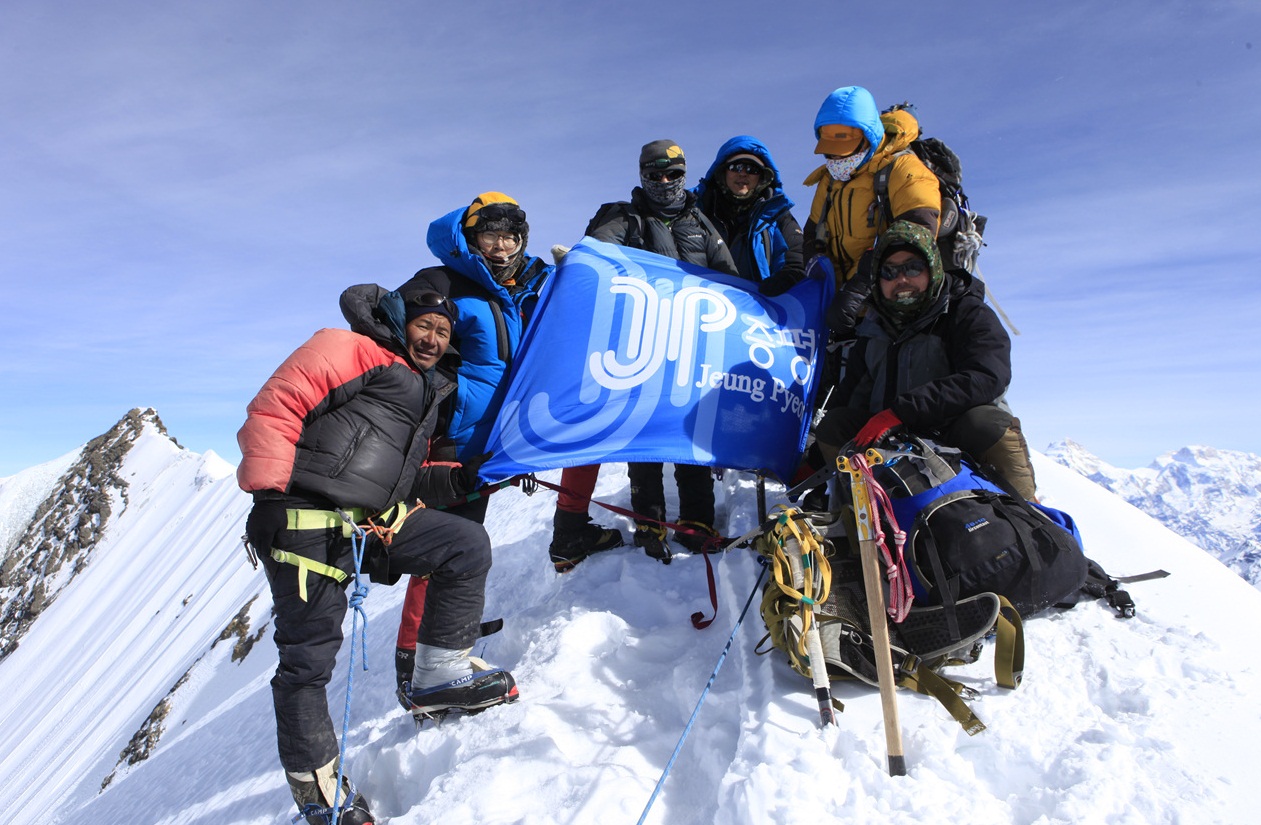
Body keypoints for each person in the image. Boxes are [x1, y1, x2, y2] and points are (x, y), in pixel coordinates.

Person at [238, 283, 518, 824]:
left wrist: (466, 480)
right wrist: (270, 494)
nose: (434, 339)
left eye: (443, 332)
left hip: (369, 528)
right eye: (425, 326)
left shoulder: (423, 390)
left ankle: (438, 674)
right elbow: (276, 407)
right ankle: (318, 794)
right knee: (307, 660)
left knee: (464, 543)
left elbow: (404, 482)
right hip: (305, 523)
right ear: (399, 318)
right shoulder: (347, 348)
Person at [582, 139, 740, 563]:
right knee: (645, 436)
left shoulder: (701, 224)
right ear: (642, 176)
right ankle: (649, 523)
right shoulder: (622, 217)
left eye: (673, 174)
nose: (665, 182)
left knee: (691, 431)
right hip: (641, 346)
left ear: (684, 174)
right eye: (655, 175)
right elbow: (597, 253)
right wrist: (582, 260)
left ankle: (698, 522)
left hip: (692, 347)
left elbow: (731, 281)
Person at [812, 220, 1037, 500]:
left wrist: (900, 412)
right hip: (894, 438)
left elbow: (987, 376)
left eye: (912, 267)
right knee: (837, 424)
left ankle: (1028, 514)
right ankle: (855, 520)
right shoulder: (872, 329)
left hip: (954, 431)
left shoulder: (967, 313)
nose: (901, 279)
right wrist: (813, 461)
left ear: (933, 268)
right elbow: (851, 395)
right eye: (889, 272)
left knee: (986, 423)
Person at [802, 85, 942, 337]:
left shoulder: (903, 168)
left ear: (868, 136)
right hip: (837, 309)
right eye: (829, 145)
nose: (836, 156)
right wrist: (815, 276)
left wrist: (860, 289)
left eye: (844, 144)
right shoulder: (829, 180)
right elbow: (813, 232)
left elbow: (916, 232)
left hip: (889, 307)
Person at [694, 135, 805, 295]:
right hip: (697, 304)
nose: (743, 174)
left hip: (755, 312)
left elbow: (798, 257)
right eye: (736, 167)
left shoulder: (778, 214)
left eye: (752, 170)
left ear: (763, 177)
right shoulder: (696, 208)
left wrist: (787, 278)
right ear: (722, 172)